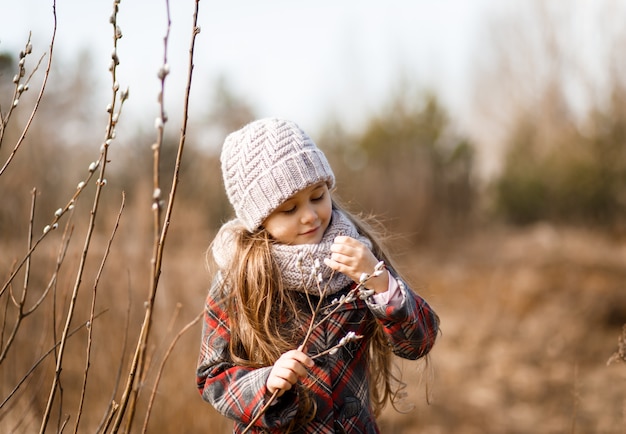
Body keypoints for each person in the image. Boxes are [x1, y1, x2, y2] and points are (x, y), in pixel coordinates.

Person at [196, 118, 440, 434]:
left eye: (317, 196)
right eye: (289, 209)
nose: (310, 215)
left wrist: (379, 283)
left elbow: (419, 341)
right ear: (259, 220)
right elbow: (211, 376)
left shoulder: (357, 255)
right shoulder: (239, 279)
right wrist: (266, 382)